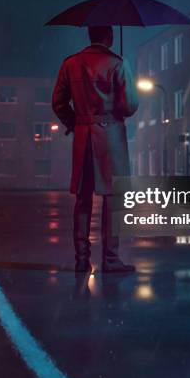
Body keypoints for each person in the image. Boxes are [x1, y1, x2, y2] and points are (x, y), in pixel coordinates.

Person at [52, 25, 139, 273]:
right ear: (109, 37)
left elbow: (58, 103)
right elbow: (129, 106)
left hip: (83, 137)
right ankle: (111, 259)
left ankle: (81, 259)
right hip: (110, 138)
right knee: (112, 199)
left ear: (90, 36)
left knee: (83, 198)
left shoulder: (70, 63)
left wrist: (76, 123)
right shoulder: (118, 64)